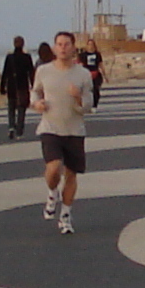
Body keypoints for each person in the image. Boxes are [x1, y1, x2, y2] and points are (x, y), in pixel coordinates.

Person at [29, 30, 94, 233]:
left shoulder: (83, 74)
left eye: (67, 44)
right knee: (54, 168)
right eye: (59, 44)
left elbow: (88, 105)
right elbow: (35, 91)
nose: (63, 48)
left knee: (71, 175)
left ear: (74, 47)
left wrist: (77, 98)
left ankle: (65, 216)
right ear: (54, 47)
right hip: (50, 128)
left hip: (74, 130)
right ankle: (51, 192)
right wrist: (36, 103)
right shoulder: (44, 71)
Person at [0, 35, 34, 140]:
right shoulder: (27, 57)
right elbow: (31, 73)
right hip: (22, 86)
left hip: (11, 86)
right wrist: (34, 85)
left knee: (11, 108)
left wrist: (2, 87)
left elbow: (5, 73)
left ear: (14, 44)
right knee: (22, 109)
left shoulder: (9, 58)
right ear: (23, 44)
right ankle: (19, 132)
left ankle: (11, 127)